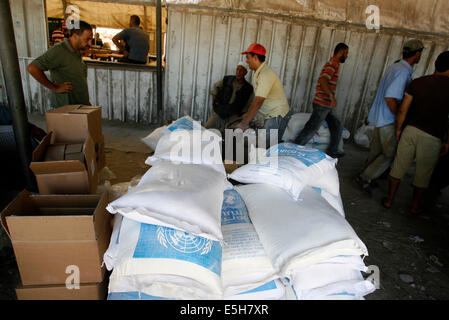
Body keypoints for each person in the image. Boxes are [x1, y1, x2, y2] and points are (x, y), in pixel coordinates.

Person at [382, 51, 449, 215]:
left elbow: (403, 109)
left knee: (398, 167)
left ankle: (390, 200)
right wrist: (448, 141)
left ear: (435, 64)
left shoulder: (418, 83)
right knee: (423, 174)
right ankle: (414, 206)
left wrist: (399, 129)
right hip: (433, 136)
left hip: (410, 130)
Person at [355, 39, 424, 194]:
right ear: (417, 54)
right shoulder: (403, 72)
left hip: (380, 118)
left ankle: (366, 178)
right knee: (389, 155)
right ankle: (365, 177)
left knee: (376, 152)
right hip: (389, 120)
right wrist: (400, 116)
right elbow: (390, 97)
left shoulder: (395, 66)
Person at [293, 43, 349, 158]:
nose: (347, 56)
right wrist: (331, 96)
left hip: (327, 104)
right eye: (346, 53)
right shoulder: (332, 64)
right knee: (311, 129)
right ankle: (293, 150)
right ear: (341, 52)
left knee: (336, 125)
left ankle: (333, 150)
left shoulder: (335, 64)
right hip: (322, 104)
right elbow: (323, 80)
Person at [235, 43, 291, 148]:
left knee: (267, 148)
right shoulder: (258, 73)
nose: (246, 61)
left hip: (276, 115)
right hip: (270, 115)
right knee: (263, 146)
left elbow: (258, 101)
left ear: (255, 57)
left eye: (248, 58)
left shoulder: (265, 74)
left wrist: (244, 123)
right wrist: (248, 116)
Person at [27, 20, 93, 108]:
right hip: (66, 108)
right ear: (75, 36)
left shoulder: (77, 51)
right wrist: (55, 88)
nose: (90, 43)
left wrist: (85, 101)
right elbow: (32, 68)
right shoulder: (59, 50)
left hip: (80, 105)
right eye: (87, 39)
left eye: (90, 39)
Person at [206, 62, 254, 132]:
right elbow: (216, 87)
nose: (238, 72)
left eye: (241, 70)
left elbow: (248, 104)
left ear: (245, 73)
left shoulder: (248, 88)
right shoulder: (227, 80)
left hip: (233, 116)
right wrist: (214, 105)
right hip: (219, 112)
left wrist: (240, 115)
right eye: (237, 69)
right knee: (209, 127)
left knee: (229, 136)